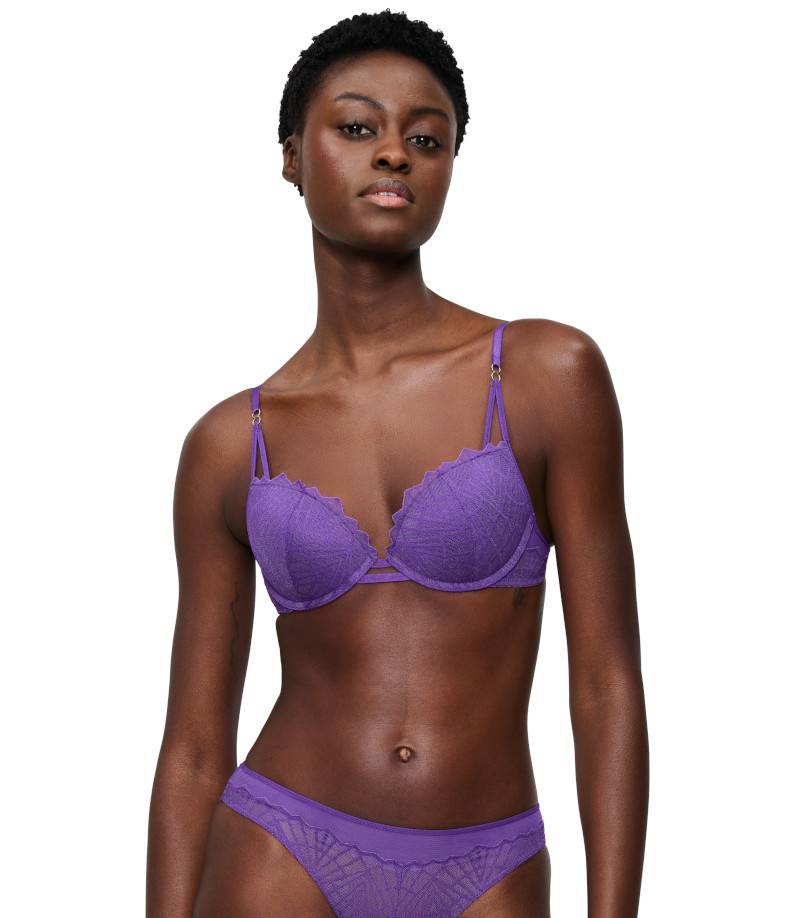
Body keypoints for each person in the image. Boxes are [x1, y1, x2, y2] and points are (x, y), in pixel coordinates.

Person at [147, 10, 649, 917]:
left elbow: (607, 684)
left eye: (426, 138)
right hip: (279, 846)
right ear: (292, 157)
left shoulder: (545, 375)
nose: (393, 154)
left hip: (488, 862)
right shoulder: (229, 443)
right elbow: (192, 749)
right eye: (356, 127)